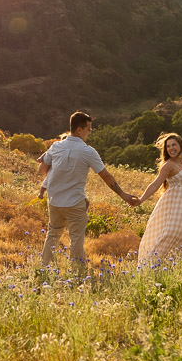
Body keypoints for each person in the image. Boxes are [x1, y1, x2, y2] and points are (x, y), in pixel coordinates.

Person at [38, 111, 139, 268]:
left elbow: (42, 169)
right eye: (89, 129)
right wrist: (123, 195)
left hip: (55, 201)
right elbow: (106, 176)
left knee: (52, 235)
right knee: (76, 238)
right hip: (74, 202)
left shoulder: (56, 146)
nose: (90, 133)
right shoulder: (88, 151)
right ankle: (78, 272)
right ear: (79, 130)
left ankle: (44, 268)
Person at [136, 132, 182, 266]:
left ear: (180, 145)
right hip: (174, 206)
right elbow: (155, 184)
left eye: (174, 144)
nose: (171, 148)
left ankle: (179, 267)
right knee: (170, 233)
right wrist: (141, 200)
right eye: (168, 146)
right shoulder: (168, 165)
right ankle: (149, 264)